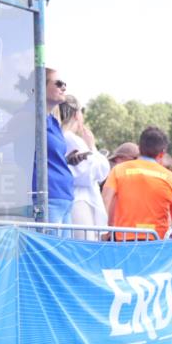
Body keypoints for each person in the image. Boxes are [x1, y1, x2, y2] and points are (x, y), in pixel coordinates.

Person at [102, 126, 172, 240]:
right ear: (162, 153)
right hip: (157, 240)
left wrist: (106, 230)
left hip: (124, 238)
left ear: (139, 148)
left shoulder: (118, 171)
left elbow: (105, 201)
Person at [58, 95, 110, 240]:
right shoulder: (72, 139)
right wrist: (92, 146)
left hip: (73, 198)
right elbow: (93, 172)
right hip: (80, 200)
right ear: (76, 114)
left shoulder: (60, 137)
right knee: (84, 247)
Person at [33, 68, 74, 231]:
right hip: (47, 198)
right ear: (40, 86)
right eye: (58, 83)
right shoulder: (28, 117)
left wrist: (68, 159)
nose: (63, 87)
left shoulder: (53, 121)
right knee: (49, 254)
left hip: (63, 197)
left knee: (61, 253)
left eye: (64, 84)